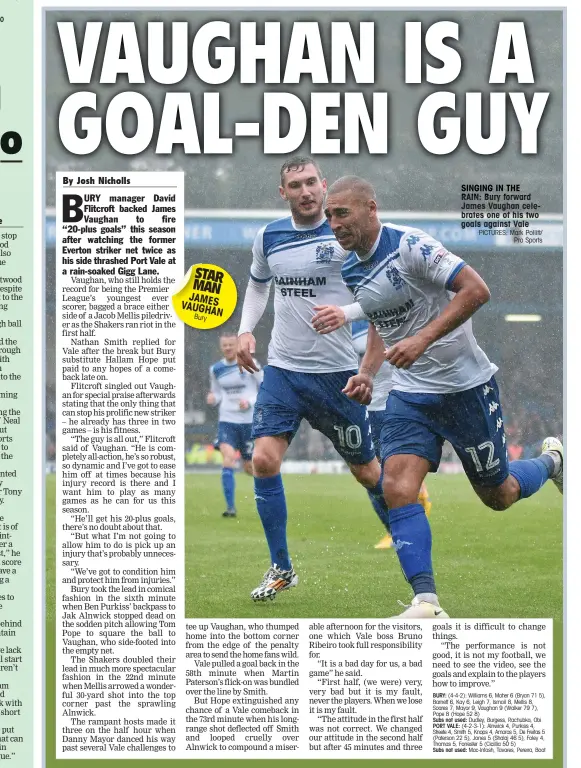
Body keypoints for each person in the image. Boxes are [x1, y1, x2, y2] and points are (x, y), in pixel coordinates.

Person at [313, 175, 563, 619]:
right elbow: (378, 317)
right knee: (396, 487)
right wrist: (368, 371)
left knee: (499, 494)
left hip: (466, 388)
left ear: (371, 209)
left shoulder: (412, 246)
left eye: (342, 213)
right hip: (411, 396)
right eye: (329, 215)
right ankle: (426, 601)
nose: (332, 223)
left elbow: (476, 290)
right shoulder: (351, 266)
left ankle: (553, 462)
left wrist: (421, 340)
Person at [237, 156, 391, 602]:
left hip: (338, 375)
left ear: (324, 185)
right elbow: (259, 284)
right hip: (283, 370)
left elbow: (383, 293)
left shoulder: (347, 233)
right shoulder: (269, 237)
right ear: (282, 193)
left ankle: (404, 535)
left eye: (311, 183)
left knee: (367, 472)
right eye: (295, 185)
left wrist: (346, 312)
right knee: (263, 460)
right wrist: (247, 328)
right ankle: (282, 567)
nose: (305, 191)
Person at [351, 319, 432, 549]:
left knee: (388, 470)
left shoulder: (387, 316)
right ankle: (395, 526)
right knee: (369, 472)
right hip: (365, 404)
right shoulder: (346, 325)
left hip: (395, 399)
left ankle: (400, 524)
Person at [207, 332, 262, 517]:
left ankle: (269, 494)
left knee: (250, 467)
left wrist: (250, 401)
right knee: (228, 458)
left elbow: (264, 389)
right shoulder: (215, 369)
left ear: (237, 345)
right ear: (221, 347)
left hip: (248, 422)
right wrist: (214, 398)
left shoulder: (250, 364)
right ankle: (230, 508)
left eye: (231, 344)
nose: (228, 348)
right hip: (227, 420)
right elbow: (218, 393)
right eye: (225, 345)